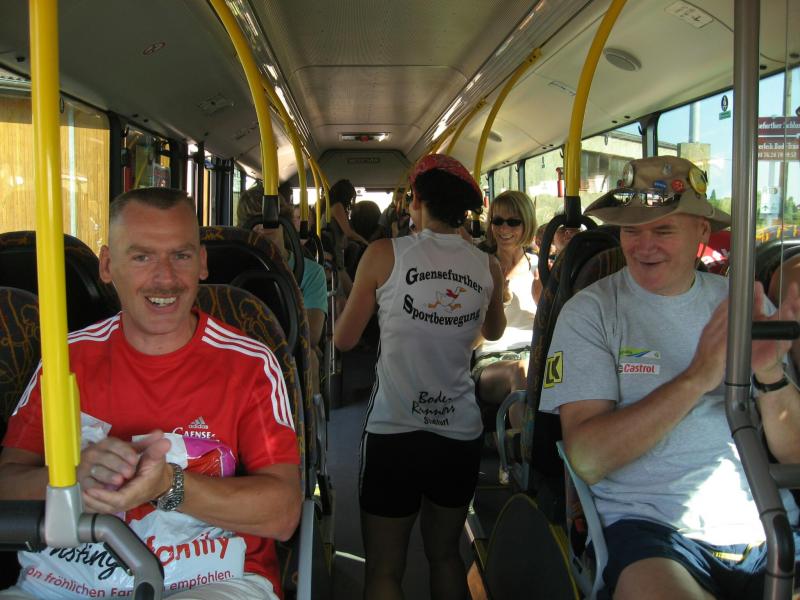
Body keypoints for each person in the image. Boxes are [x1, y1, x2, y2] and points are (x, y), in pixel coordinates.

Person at [0, 188, 302, 599]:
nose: (165, 278)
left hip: (211, 578)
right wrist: (70, 480)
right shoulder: (65, 360)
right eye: (142, 257)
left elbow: (283, 513)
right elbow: (7, 485)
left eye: (181, 255)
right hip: (66, 582)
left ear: (202, 263)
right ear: (108, 266)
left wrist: (169, 485)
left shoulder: (249, 364)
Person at [539, 156, 800, 600]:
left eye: (662, 231)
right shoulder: (591, 312)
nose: (644, 246)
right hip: (653, 531)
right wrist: (696, 377)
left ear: (702, 231)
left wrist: (770, 373)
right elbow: (587, 457)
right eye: (631, 230)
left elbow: (793, 455)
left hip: (768, 521)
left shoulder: (741, 305)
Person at [334, 154, 506, 600]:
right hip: (458, 433)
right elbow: (493, 331)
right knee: (445, 555)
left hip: (394, 430)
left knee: (384, 570)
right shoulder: (486, 265)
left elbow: (344, 340)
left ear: (416, 201)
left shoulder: (383, 254)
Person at [237, 185, 328, 395]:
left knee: (310, 358)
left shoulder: (310, 272)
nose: (261, 228)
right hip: (241, 346)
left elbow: (312, 335)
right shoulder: (234, 266)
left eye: (267, 221)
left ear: (283, 222)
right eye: (253, 222)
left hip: (289, 347)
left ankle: (308, 415)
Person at [473, 190, 538, 431]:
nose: (504, 228)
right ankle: (522, 450)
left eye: (513, 222)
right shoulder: (479, 268)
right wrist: (498, 304)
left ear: (526, 224)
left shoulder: (541, 268)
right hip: (493, 359)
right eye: (498, 221)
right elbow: (469, 341)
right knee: (520, 372)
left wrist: (545, 304)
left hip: (537, 353)